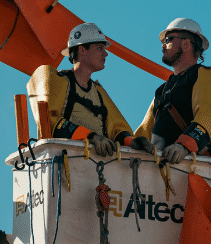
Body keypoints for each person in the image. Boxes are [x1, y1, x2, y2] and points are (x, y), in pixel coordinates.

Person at [26, 23, 153, 156]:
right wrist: (91, 137)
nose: (106, 53)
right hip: (66, 162)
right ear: (82, 50)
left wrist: (132, 141)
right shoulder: (59, 82)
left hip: (97, 166)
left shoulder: (98, 92)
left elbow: (117, 129)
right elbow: (51, 121)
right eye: (100, 48)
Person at [134, 18, 211, 164]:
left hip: (191, 166)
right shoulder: (162, 90)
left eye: (168, 39)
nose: (163, 46)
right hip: (157, 167)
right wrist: (130, 143)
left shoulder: (204, 74)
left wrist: (184, 145)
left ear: (186, 43)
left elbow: (208, 112)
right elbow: (144, 131)